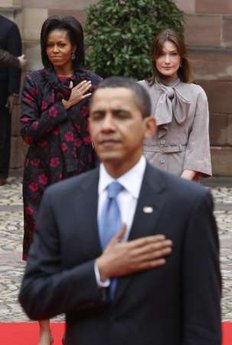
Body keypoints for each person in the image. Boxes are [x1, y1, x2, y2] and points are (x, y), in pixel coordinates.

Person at [19, 77, 222, 345]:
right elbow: (34, 296)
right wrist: (99, 270)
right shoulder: (61, 201)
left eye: (121, 115)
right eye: (99, 116)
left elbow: (202, 320)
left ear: (148, 127)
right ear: (89, 126)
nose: (108, 126)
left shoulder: (187, 203)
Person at [20, 15, 102, 345]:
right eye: (49, 45)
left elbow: (101, 131)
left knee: (80, 254)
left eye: (61, 45)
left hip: (82, 177)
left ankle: (76, 326)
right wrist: (64, 105)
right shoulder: (35, 83)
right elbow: (27, 132)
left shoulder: (94, 83)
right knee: (41, 254)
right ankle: (43, 329)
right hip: (41, 178)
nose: (54, 50)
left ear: (75, 47)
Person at [138, 28, 212, 181]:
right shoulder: (138, 90)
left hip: (183, 174)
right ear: (154, 57)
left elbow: (199, 144)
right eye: (161, 54)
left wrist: (181, 183)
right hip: (143, 174)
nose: (167, 61)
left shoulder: (196, 94)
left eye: (173, 54)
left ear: (181, 58)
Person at [0, 14, 22, 186]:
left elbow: (16, 65)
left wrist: (13, 92)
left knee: (2, 132)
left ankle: (1, 174)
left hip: (2, 90)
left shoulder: (9, 27)